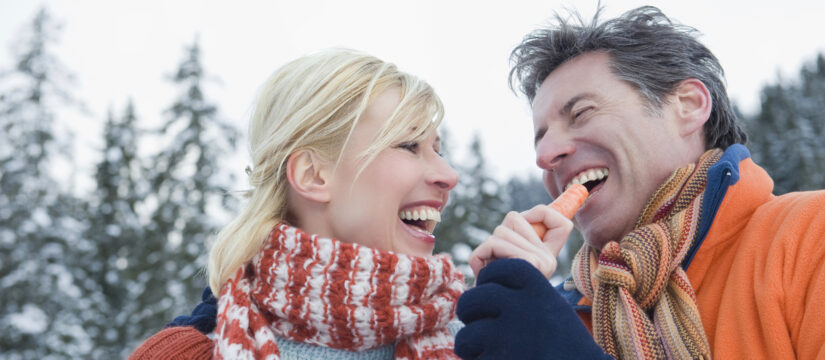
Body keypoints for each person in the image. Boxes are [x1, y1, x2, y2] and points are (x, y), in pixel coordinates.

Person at [454, 6, 825, 360]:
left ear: (689, 105)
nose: (545, 155)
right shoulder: (549, 316)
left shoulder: (809, 237)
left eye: (581, 113)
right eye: (540, 140)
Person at [129, 48, 467, 359]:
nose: (448, 175)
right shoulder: (188, 353)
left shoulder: (481, 341)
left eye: (438, 150)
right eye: (409, 145)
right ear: (313, 175)